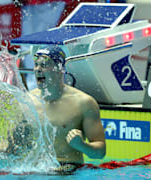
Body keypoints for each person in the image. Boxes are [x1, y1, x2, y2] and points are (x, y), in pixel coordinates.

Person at [30, 45, 106, 174]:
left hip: (68, 171)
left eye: (44, 65)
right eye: (36, 65)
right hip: (33, 170)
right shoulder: (27, 101)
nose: (38, 70)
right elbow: (9, 148)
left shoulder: (84, 103)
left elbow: (100, 153)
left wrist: (82, 146)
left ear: (60, 68)